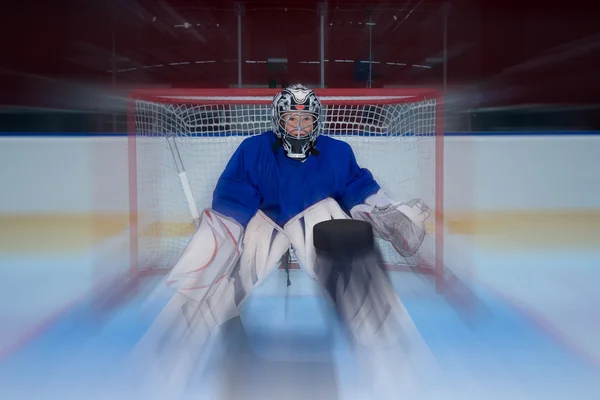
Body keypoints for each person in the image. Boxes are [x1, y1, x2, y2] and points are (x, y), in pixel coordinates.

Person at [131, 84, 434, 399]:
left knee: (347, 245)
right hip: (267, 222)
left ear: (318, 122)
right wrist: (220, 240)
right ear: (278, 120)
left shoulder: (337, 152)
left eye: (307, 121)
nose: (300, 128)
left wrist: (386, 212)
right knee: (221, 269)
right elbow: (234, 200)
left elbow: (359, 188)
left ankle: (385, 347)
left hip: (315, 219)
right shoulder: (253, 150)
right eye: (292, 119)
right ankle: (178, 347)